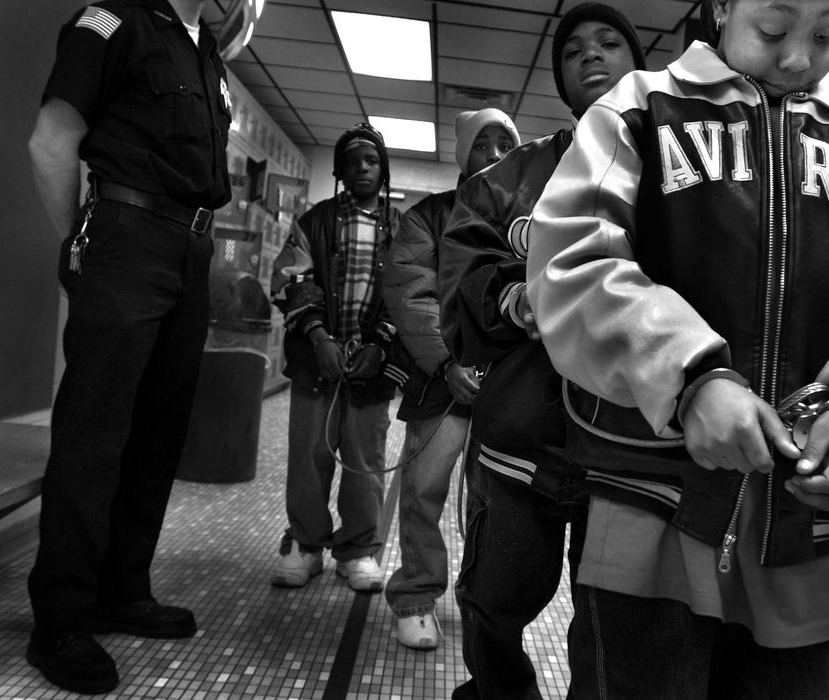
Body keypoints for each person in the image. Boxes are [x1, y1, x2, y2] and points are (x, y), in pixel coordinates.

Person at [525, 0, 829, 697]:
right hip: (653, 503)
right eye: (772, 30)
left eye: (827, 34)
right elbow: (574, 263)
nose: (798, 57)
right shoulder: (639, 108)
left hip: (812, 525)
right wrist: (691, 377)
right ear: (720, 8)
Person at [438, 4, 645, 697]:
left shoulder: (681, 176)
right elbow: (460, 275)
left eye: (609, 42)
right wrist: (511, 297)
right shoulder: (508, 178)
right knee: (493, 602)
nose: (591, 55)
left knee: (611, 621)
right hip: (518, 441)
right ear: (557, 76)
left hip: (630, 449)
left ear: (635, 61)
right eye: (573, 49)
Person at [25, 0, 230, 693]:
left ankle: (121, 589)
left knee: (156, 433)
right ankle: (60, 619)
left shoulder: (204, 49)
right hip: (126, 234)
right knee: (95, 433)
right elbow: (52, 140)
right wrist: (81, 243)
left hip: (190, 250)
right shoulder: (112, 19)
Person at [382, 108, 520, 650]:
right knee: (423, 492)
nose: (495, 155)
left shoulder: (532, 219)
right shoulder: (427, 218)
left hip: (509, 389)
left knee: (495, 502)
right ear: (464, 155)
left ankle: (482, 600)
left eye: (506, 143)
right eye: (483, 145)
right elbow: (409, 292)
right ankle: (416, 597)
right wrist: (446, 362)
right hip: (441, 385)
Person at [269, 122, 400, 594]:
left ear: (383, 169)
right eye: (352, 162)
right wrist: (319, 336)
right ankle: (305, 546)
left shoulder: (402, 229)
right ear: (339, 171)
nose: (362, 168)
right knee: (310, 455)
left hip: (372, 367)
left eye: (371, 160)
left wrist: (380, 343)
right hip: (316, 363)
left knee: (365, 459)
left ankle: (358, 550)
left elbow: (408, 294)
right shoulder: (314, 221)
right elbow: (289, 278)